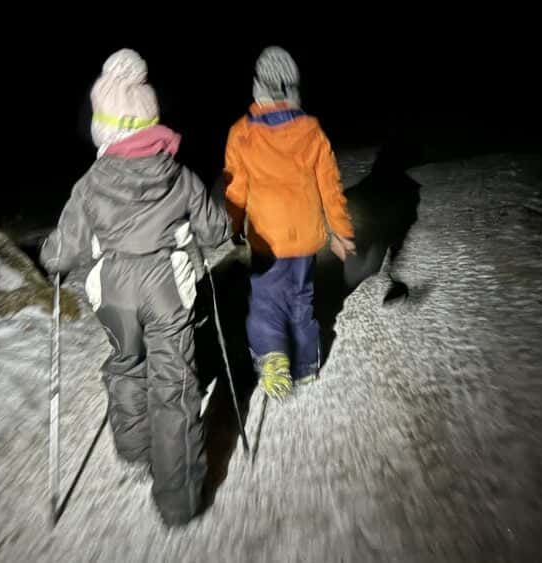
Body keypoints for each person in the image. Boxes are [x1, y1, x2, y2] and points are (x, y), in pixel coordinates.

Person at [40, 48, 229, 525]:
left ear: (103, 129)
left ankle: (134, 446)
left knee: (127, 364)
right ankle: (179, 498)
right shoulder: (180, 176)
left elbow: (63, 251)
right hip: (167, 289)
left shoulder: (88, 185)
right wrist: (218, 225)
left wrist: (50, 253)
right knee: (175, 385)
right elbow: (215, 232)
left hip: (115, 293)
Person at [223, 46, 356, 399]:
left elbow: (235, 190)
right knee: (301, 300)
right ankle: (306, 367)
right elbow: (331, 186)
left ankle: (273, 358)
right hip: (305, 238)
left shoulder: (242, 133)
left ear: (258, 88)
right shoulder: (311, 130)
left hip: (267, 239)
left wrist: (233, 229)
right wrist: (341, 232)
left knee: (267, 301)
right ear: (294, 88)